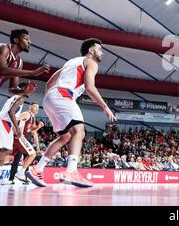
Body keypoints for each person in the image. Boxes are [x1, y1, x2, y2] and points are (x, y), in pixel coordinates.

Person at [26, 38, 117, 188]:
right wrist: (105, 106)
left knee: (66, 136)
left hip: (50, 98)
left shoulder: (70, 63)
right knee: (79, 131)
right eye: (100, 49)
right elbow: (89, 87)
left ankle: (37, 169)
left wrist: (52, 100)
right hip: (63, 95)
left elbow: (49, 83)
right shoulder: (91, 62)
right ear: (91, 51)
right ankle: (72, 171)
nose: (102, 53)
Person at [0, 29, 50, 143]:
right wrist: (33, 73)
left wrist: (24, 91)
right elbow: (1, 69)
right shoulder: (2, 48)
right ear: (16, 40)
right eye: (26, 39)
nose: (30, 42)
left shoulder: (18, 62)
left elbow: (12, 89)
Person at [0, 83, 37, 180]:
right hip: (5, 123)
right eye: (30, 88)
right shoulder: (20, 98)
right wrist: (17, 128)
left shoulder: (16, 97)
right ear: (24, 89)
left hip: (3, 122)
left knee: (4, 151)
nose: (32, 90)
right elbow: (11, 111)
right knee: (9, 150)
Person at [7, 103, 44, 185]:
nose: (37, 108)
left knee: (8, 156)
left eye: (38, 107)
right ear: (30, 107)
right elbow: (13, 119)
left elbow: (32, 131)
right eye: (35, 106)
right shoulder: (27, 114)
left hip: (25, 139)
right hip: (20, 138)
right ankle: (13, 177)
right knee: (26, 157)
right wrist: (16, 130)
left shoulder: (33, 118)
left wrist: (38, 127)